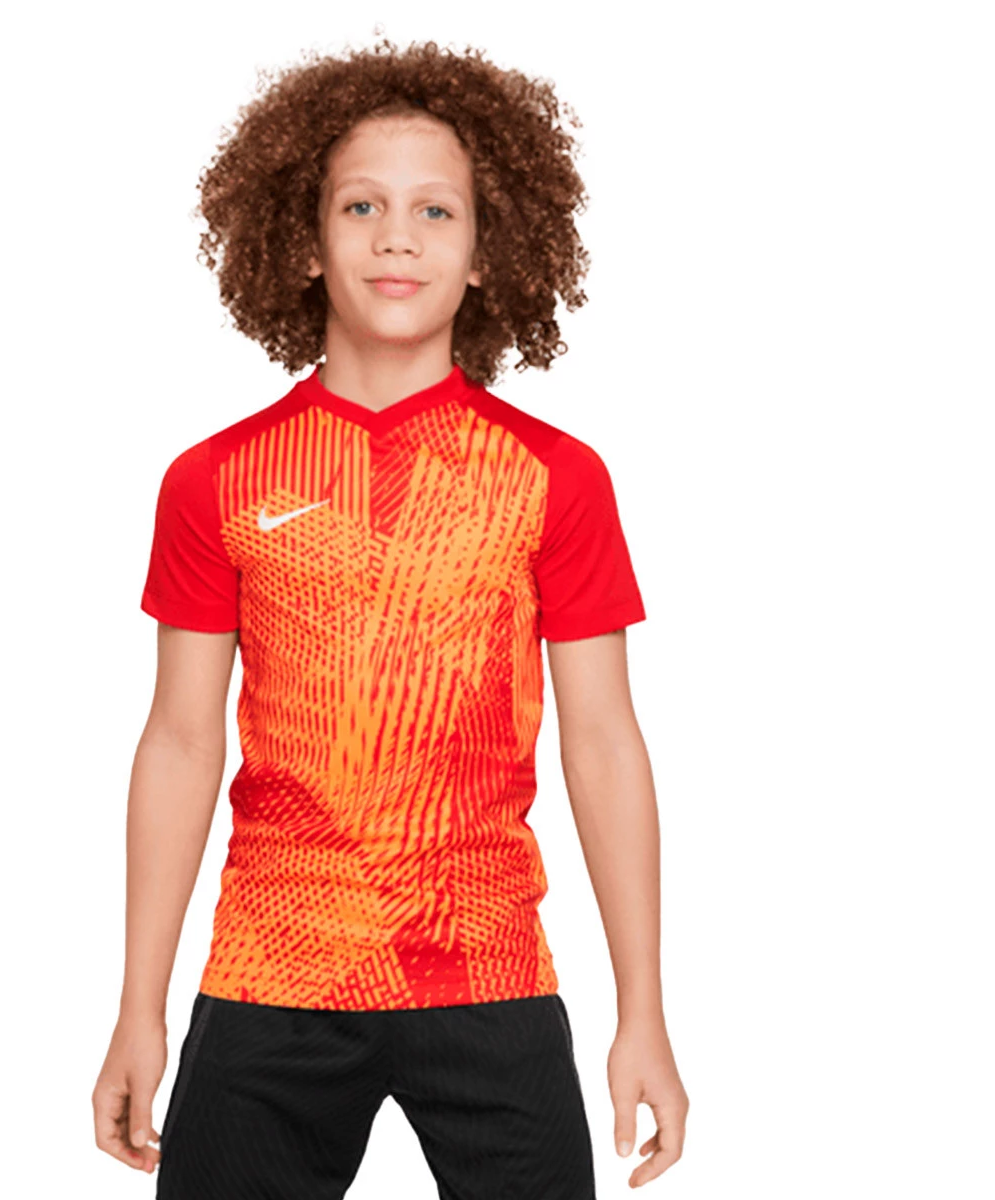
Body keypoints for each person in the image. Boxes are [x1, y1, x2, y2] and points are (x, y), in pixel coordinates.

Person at [93, 34, 688, 1197]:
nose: (397, 237)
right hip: (271, 972)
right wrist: (137, 1008)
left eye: (436, 211)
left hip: (488, 969)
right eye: (361, 206)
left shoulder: (556, 479)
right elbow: (180, 741)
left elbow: (604, 742)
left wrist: (645, 1013)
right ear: (305, 242)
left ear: (487, 252)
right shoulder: (215, 480)